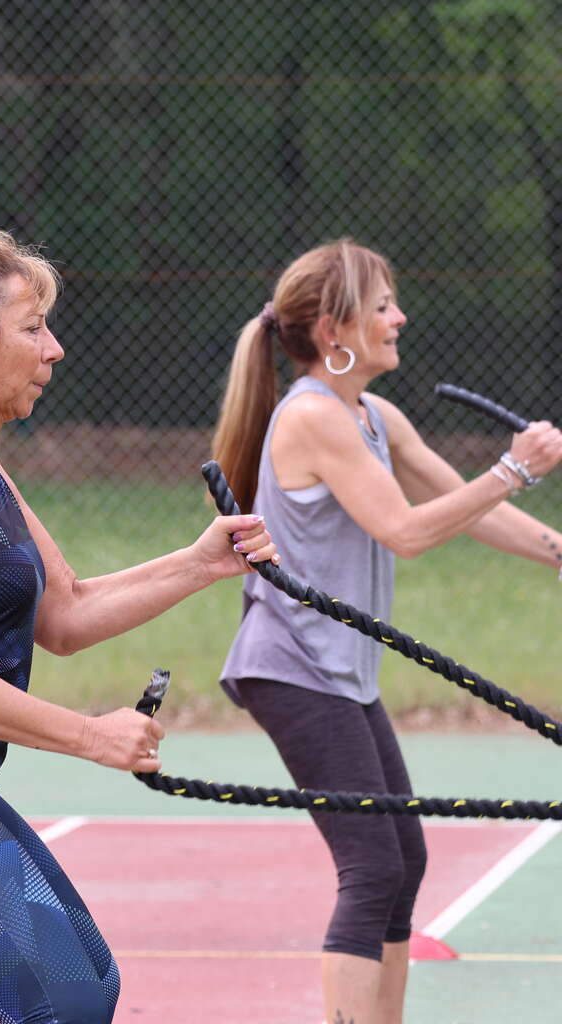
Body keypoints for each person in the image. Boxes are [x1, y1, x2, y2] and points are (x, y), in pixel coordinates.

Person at [0, 228, 279, 1024]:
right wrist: (91, 736)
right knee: (67, 1002)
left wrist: (198, 563)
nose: (54, 349)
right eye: (31, 328)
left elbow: (67, 610)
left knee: (88, 987)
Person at [211, 237, 562, 1024]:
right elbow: (405, 528)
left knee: (404, 859)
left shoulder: (371, 414)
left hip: (340, 670)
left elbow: (469, 506)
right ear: (335, 331)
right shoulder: (314, 418)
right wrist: (516, 466)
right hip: (293, 666)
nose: (399, 317)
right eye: (381, 307)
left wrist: (557, 550)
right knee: (371, 867)